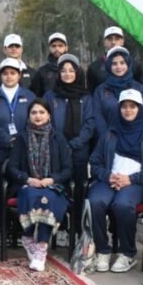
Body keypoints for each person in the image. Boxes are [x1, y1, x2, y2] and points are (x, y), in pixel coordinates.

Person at [87, 89, 143, 273]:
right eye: (124, 107)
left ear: (140, 109)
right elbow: (95, 162)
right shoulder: (110, 133)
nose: (128, 110)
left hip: (136, 182)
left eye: (132, 106)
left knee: (122, 204)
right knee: (95, 201)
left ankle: (128, 253)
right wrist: (108, 176)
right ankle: (102, 250)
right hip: (110, 179)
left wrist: (130, 179)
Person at [6, 99, 72, 271]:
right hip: (28, 184)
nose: (38, 116)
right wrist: (27, 179)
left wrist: (52, 179)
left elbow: (67, 169)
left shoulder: (58, 138)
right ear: (28, 116)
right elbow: (12, 167)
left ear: (49, 115)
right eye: (34, 112)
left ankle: (41, 246)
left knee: (48, 198)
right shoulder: (22, 138)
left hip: (52, 185)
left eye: (42, 112)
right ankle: (28, 238)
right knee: (31, 194)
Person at [44, 54, 95, 237]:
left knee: (79, 189)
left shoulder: (86, 97)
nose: (67, 74)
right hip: (55, 150)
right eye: (63, 71)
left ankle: (78, 228)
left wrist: (74, 143)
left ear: (77, 72)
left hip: (79, 151)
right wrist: (60, 144)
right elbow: (46, 121)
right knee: (59, 188)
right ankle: (61, 227)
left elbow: (90, 123)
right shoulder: (50, 95)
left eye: (71, 70)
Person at [0, 57, 36, 178]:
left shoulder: (29, 96)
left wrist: (20, 139)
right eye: (5, 73)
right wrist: (6, 138)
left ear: (19, 75)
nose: (9, 76)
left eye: (13, 73)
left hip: (24, 147)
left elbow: (35, 119)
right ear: (0, 76)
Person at [92, 46, 143, 141]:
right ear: (109, 65)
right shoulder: (100, 90)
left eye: (122, 63)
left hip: (135, 141)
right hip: (108, 141)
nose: (119, 67)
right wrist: (107, 138)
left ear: (128, 64)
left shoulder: (140, 89)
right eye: (114, 63)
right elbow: (98, 118)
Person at [88, 27, 143, 92]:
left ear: (122, 41)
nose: (113, 42)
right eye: (110, 39)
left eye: (117, 39)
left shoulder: (134, 65)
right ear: (104, 42)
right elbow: (91, 92)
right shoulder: (94, 67)